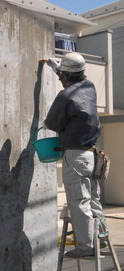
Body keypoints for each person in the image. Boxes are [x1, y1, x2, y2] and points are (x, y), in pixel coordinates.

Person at [43, 52, 107, 258]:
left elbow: (52, 123)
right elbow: (72, 83)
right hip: (92, 155)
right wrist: (57, 67)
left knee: (79, 201)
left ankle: (86, 247)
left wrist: (59, 72)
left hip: (76, 156)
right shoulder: (89, 87)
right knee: (93, 198)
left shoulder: (65, 96)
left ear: (66, 76)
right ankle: (102, 238)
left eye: (62, 75)